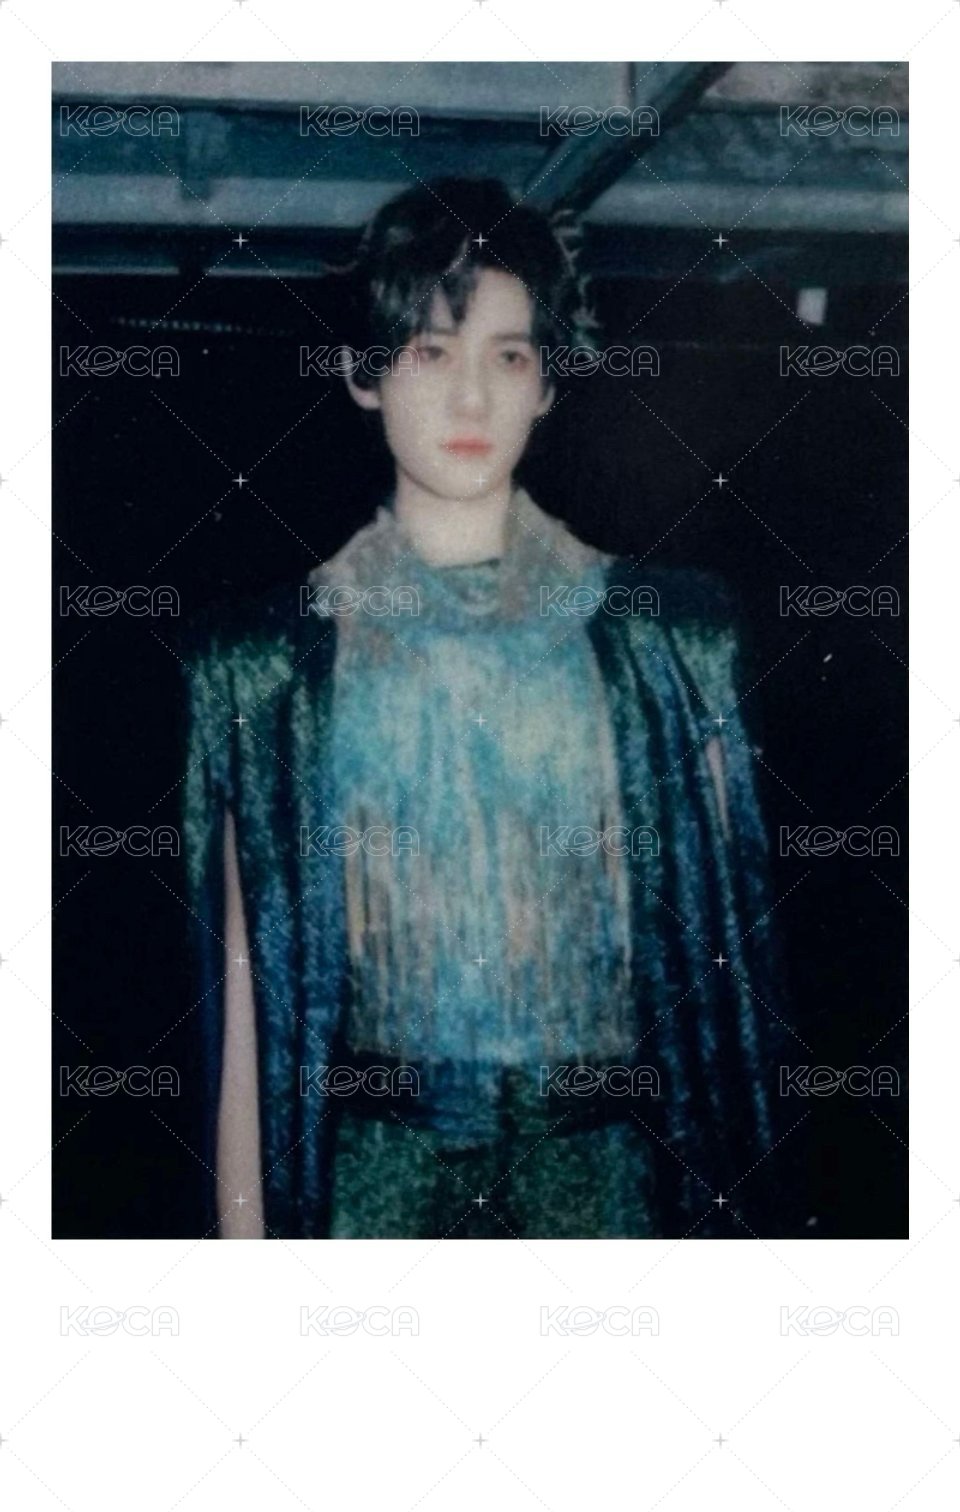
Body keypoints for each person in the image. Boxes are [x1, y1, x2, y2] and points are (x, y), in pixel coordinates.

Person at [181, 177, 793, 1240]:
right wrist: (245, 1265)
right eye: (430, 352)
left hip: (600, 1184)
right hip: (379, 1185)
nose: (471, 401)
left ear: (546, 383)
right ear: (364, 373)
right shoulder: (269, 665)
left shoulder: (665, 644)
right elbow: (247, 994)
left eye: (508, 356)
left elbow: (721, 998)